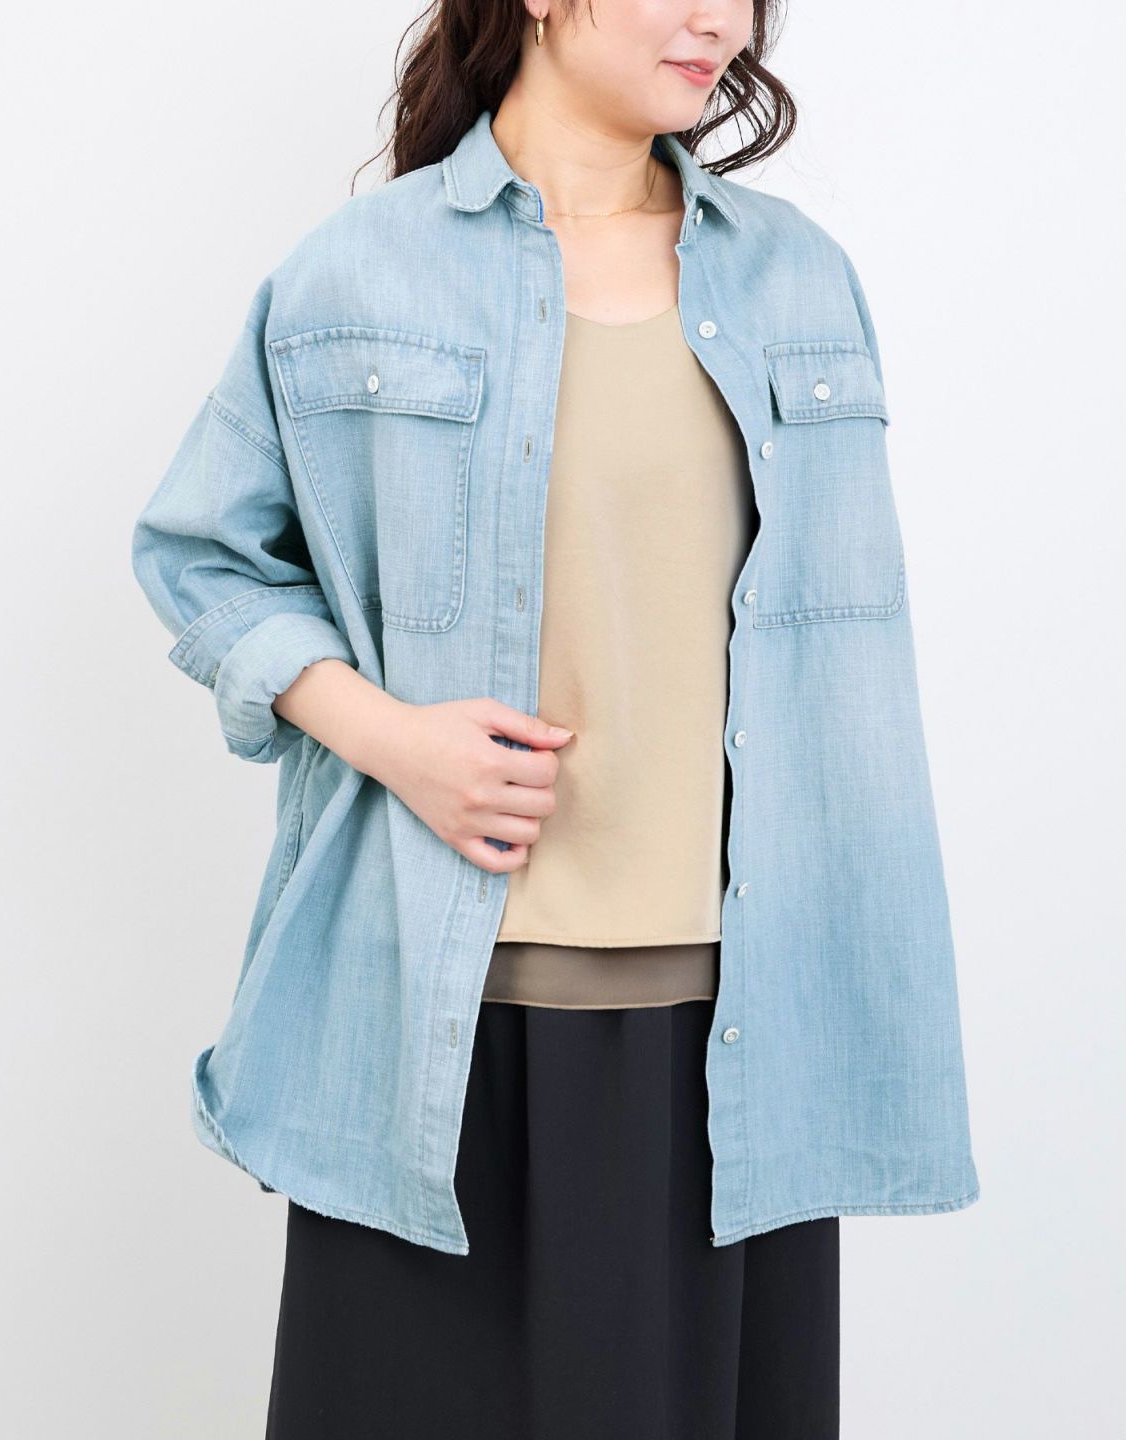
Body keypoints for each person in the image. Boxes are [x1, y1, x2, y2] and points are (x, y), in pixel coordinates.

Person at [131, 3, 980, 1436]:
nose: (722, 20)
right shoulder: (358, 274)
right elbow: (199, 555)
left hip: (737, 1041)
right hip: (430, 1028)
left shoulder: (796, 281)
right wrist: (395, 741)